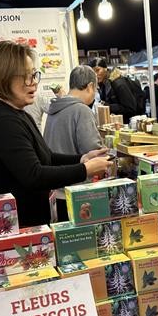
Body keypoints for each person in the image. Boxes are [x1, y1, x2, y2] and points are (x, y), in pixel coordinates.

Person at [0, 41, 111, 226]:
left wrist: (82, 158)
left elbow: (46, 156)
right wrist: (85, 170)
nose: (33, 82)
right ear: (4, 78)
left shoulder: (18, 114)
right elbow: (34, 175)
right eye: (25, 76)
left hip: (35, 220)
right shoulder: (2, 122)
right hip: (20, 227)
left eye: (33, 74)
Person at [44, 65, 103, 222]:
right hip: (76, 191)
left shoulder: (54, 109)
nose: (95, 93)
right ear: (90, 86)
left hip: (55, 189)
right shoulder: (81, 110)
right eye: (96, 89)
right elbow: (91, 148)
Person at [89, 58, 138, 123]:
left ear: (105, 69)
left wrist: (107, 106)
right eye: (93, 72)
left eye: (97, 70)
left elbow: (130, 108)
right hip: (116, 124)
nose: (95, 74)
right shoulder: (103, 85)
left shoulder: (119, 83)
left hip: (128, 124)